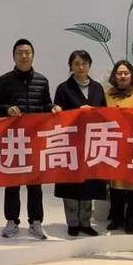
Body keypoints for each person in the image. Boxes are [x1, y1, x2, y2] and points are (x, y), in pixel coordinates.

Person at [0, 38, 52, 240]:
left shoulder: (42, 81)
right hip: (12, 139)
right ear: (13, 56)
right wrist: (7, 109)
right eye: (20, 53)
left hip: (35, 140)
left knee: (35, 184)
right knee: (12, 182)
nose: (24, 56)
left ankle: (36, 222)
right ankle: (11, 221)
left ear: (33, 55)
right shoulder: (3, 81)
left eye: (27, 52)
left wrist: (53, 109)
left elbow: (46, 105)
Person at [52, 50, 106, 237]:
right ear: (71, 66)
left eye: (84, 63)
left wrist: (93, 111)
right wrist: (68, 111)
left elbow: (105, 114)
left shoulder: (98, 88)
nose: (81, 67)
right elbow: (57, 113)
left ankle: (85, 222)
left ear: (89, 65)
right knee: (70, 183)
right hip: (70, 143)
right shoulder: (63, 88)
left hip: (91, 143)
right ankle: (72, 222)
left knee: (89, 184)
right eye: (76, 64)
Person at [103, 60, 133, 234]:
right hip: (115, 144)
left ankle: (132, 219)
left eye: (126, 73)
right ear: (114, 76)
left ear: (132, 76)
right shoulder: (107, 94)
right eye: (119, 73)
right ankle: (116, 218)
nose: (122, 76)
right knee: (116, 185)